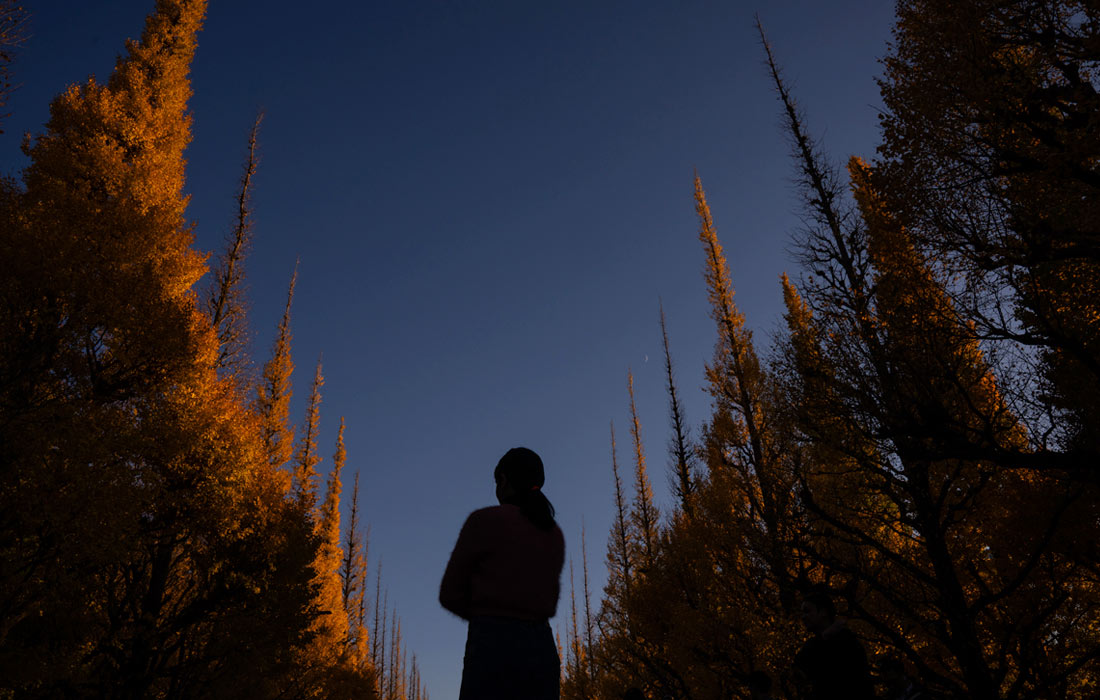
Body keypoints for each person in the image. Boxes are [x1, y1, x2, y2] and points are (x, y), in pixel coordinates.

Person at [440, 447, 566, 700]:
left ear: (504, 480)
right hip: (541, 650)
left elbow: (449, 594)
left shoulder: (483, 521)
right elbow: (550, 600)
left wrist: (485, 613)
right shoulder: (553, 533)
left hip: (491, 647)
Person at [792, 592, 875, 700]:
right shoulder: (814, 643)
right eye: (802, 612)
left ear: (823, 612)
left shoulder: (846, 643)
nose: (803, 617)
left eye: (807, 611)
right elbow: (798, 667)